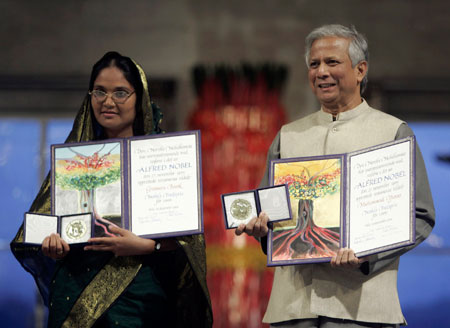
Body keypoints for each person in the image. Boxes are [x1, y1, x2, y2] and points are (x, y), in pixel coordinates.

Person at [235, 24, 435, 327]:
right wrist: (264, 230)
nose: (321, 72)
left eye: (332, 62)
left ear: (360, 70)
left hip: (362, 308)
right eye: (314, 64)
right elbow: (271, 213)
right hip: (293, 308)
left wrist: (370, 255)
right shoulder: (288, 135)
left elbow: (420, 216)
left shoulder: (392, 132)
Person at [11, 51, 213, 328]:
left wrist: (145, 246)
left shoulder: (165, 155)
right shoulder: (75, 161)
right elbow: (37, 231)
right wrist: (53, 246)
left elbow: (188, 242)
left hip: (144, 300)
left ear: (138, 97)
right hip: (77, 294)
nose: (108, 102)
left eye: (120, 93)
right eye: (99, 92)